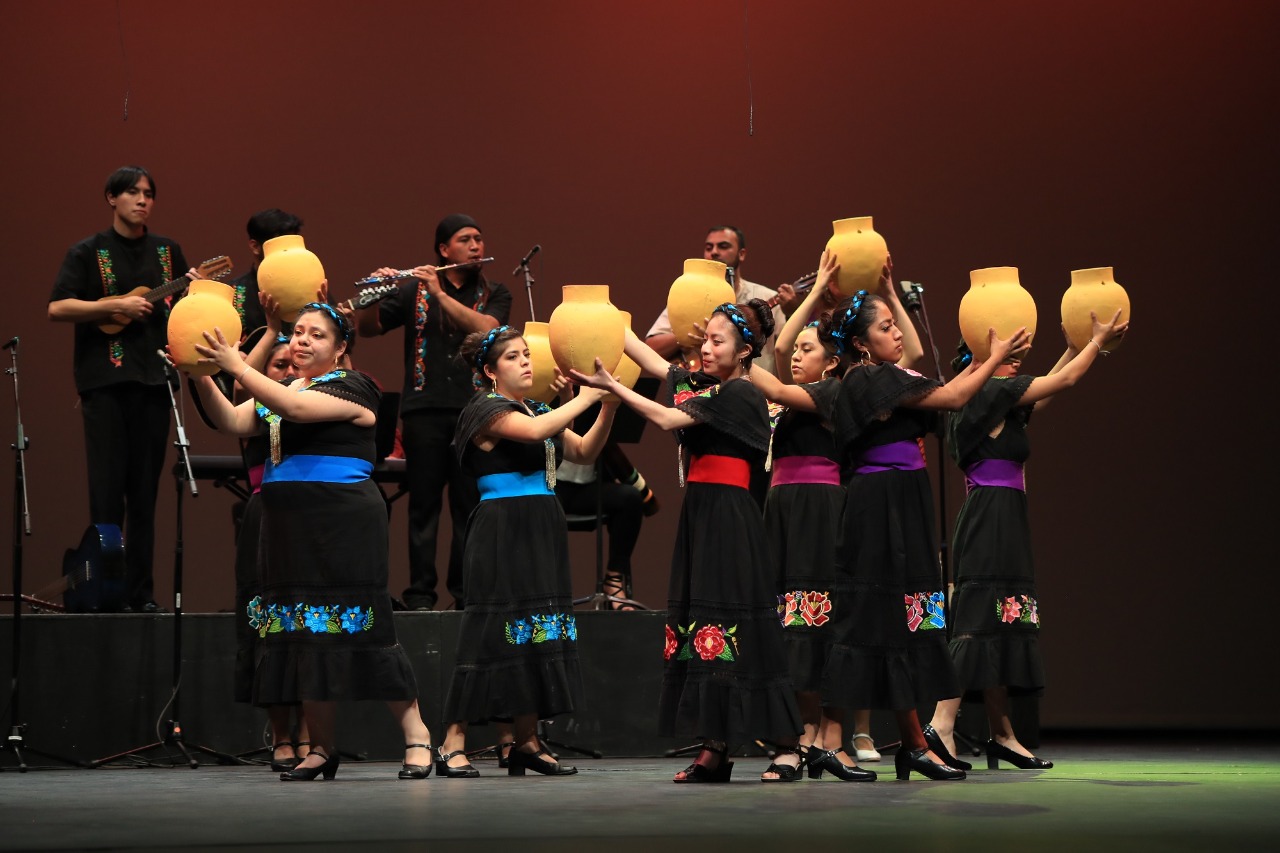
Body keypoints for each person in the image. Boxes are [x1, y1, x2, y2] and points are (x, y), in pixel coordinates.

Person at [191, 303, 433, 782]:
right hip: (290, 525)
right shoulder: (285, 389)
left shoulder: (355, 386)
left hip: (342, 521)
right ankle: (322, 748)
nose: (301, 341)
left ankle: (417, 736)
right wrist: (200, 373)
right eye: (298, 332)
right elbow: (233, 422)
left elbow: (297, 410)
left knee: (365, 629)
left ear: (341, 348)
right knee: (304, 635)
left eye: (316, 335)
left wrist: (237, 365)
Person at [574, 301, 804, 783]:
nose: (706, 347)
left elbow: (669, 420)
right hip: (703, 512)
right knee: (706, 623)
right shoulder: (712, 389)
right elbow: (659, 366)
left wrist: (614, 388)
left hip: (731, 515)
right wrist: (612, 322)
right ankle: (715, 746)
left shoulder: (741, 393)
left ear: (744, 353)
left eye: (719, 341)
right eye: (706, 339)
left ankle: (787, 745)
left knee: (742, 621)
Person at [822, 288, 1029, 781]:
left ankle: (914, 744)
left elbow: (914, 357)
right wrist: (994, 356)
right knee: (867, 618)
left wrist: (892, 293)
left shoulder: (887, 375)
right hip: (879, 506)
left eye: (896, 323)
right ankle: (830, 741)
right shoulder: (867, 378)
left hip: (904, 501)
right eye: (885, 326)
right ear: (862, 343)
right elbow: (957, 396)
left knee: (906, 620)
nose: (896, 332)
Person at [924, 311, 1129, 771]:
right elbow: (1066, 383)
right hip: (991, 518)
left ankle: (1002, 734)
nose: (1018, 360)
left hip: (1003, 516)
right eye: (1010, 352)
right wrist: (1095, 343)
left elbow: (1051, 384)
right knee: (978, 624)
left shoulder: (994, 396)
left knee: (1002, 622)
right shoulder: (989, 390)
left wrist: (1076, 344)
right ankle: (941, 723)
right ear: (983, 352)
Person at [435, 326, 616, 778]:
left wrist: (608, 406)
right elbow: (536, 432)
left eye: (525, 354)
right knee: (491, 629)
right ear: (489, 371)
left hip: (541, 523)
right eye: (512, 357)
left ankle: (526, 741)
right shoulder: (484, 409)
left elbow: (584, 451)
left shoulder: (536, 408)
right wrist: (589, 395)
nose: (524, 361)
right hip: (501, 526)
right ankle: (451, 740)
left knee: (537, 626)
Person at [745, 251, 875, 782]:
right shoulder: (801, 392)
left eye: (807, 350)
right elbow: (779, 349)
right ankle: (799, 734)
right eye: (796, 350)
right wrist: (812, 298)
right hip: (783, 508)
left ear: (831, 360)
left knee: (820, 619)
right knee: (790, 622)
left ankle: (829, 733)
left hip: (821, 510)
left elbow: (772, 367)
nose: (795, 355)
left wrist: (820, 288)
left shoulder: (832, 392)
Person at [48, 165, 194, 613]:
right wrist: (115, 305)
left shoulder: (169, 253)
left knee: (144, 496)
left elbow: (187, 310)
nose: (142, 200)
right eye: (132, 192)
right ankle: (105, 594)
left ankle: (141, 595)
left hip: (154, 385)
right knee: (107, 493)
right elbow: (58, 307)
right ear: (111, 197)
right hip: (105, 386)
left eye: (149, 193)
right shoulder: (88, 252)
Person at [356, 214, 512, 611]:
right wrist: (373, 294)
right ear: (444, 250)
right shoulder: (411, 292)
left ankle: (464, 596)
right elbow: (369, 328)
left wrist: (439, 293)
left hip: (475, 414)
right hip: (423, 412)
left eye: (479, 238)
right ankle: (420, 595)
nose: (477, 245)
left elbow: (487, 330)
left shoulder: (496, 292)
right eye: (466, 239)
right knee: (423, 506)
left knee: (468, 506)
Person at [645, 226, 789, 375]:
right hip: (706, 392)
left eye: (723, 246)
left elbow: (788, 350)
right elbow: (652, 347)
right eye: (709, 247)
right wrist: (687, 334)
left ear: (742, 254)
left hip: (757, 392)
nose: (714, 252)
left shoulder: (765, 297)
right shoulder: (690, 295)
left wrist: (791, 312)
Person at [554, 442, 649, 609]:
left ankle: (614, 581)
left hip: (589, 486)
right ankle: (545, 592)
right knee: (534, 504)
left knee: (630, 498)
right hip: (550, 485)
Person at [227, 208, 304, 338]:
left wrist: (341, 324)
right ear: (255, 247)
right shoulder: (233, 292)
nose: (287, 251)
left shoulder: (307, 282)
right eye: (279, 244)